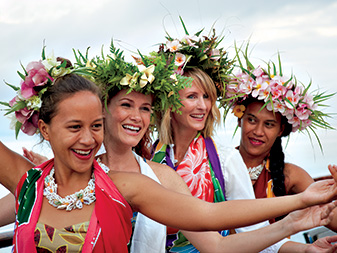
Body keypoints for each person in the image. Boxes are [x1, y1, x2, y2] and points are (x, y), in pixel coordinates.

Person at [2, 45, 337, 253]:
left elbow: (213, 222)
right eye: (126, 105)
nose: (136, 116)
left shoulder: (139, 181)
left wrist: (297, 212)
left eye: (146, 108)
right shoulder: (35, 183)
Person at [149, 18, 337, 252]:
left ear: (281, 130)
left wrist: (305, 249)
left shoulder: (225, 161)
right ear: (170, 102)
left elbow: (255, 232)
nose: (202, 106)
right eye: (191, 96)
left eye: (207, 97)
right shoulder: (149, 157)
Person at [220, 43, 337, 231]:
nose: (258, 131)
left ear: (281, 130)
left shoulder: (291, 175)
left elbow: (330, 217)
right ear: (239, 119)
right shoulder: (216, 165)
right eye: (251, 120)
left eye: (269, 124)